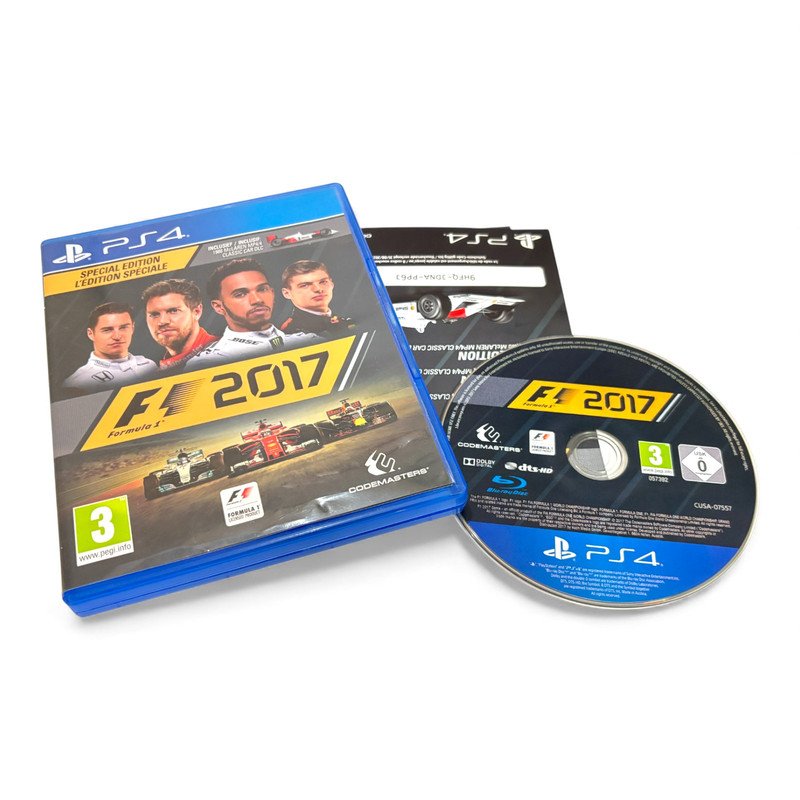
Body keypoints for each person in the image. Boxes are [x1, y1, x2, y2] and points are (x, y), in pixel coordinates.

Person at [190, 258, 320, 364]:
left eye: (262, 289)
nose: (257, 300)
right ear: (219, 307)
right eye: (240, 294)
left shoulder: (309, 341)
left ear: (272, 293)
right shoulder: (208, 362)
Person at [63, 302, 157, 391]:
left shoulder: (149, 365)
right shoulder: (78, 383)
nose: (117, 336)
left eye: (123, 327)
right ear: (90, 334)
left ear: (132, 328)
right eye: (107, 330)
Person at [141, 279, 218, 370]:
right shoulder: (156, 372)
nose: (162, 321)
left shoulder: (224, 354)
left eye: (173, 311)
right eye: (154, 314)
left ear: (196, 312)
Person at [279, 260, 354, 336]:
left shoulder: (345, 321)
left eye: (323, 282)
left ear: (331, 284)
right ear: (287, 293)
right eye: (304, 285)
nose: (318, 289)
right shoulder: (291, 333)